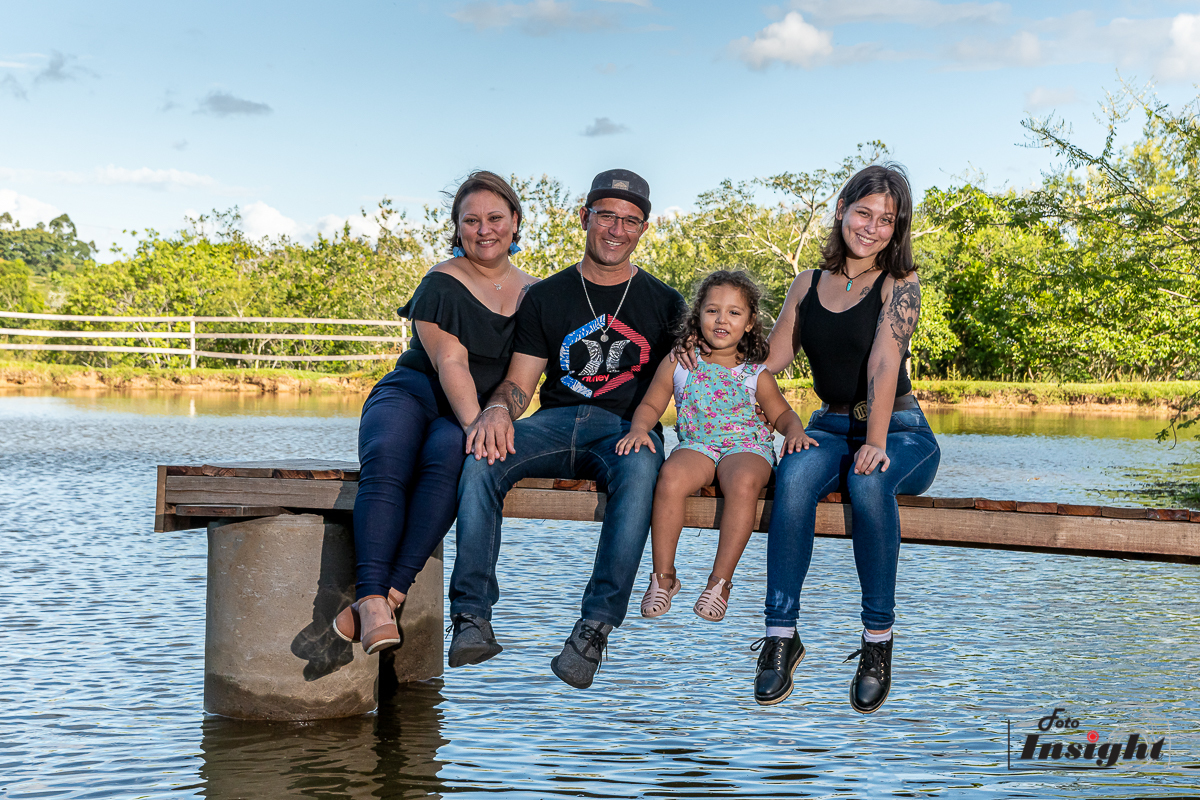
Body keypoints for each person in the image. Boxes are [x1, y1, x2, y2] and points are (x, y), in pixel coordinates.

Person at [447, 168, 688, 689]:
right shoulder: (547, 296)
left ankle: (595, 629)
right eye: (606, 216)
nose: (616, 230)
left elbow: (690, 376)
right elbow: (520, 382)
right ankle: (470, 616)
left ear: (644, 229)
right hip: (553, 423)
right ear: (585, 217)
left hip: (625, 428)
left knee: (643, 467)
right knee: (482, 455)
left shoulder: (667, 303)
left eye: (630, 221)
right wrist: (497, 411)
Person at [751, 164, 941, 712]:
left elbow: (884, 362)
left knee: (868, 482)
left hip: (901, 431)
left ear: (897, 228)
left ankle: (877, 641)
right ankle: (781, 636)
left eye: (887, 219)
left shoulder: (900, 284)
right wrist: (709, 354)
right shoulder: (807, 283)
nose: (872, 227)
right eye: (864, 213)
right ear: (841, 210)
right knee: (793, 475)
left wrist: (875, 442)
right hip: (830, 426)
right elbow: (771, 360)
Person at [333, 171, 537, 654]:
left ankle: (385, 599)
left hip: (467, 413)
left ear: (514, 221)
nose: (483, 230)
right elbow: (451, 363)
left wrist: (486, 424)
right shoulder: (441, 283)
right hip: (413, 394)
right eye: (471, 220)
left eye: (494, 217)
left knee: (450, 461)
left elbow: (523, 377)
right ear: (457, 226)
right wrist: (478, 428)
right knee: (388, 459)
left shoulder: (536, 295)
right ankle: (373, 599)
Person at [615, 270, 809, 622]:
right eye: (712, 310)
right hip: (698, 445)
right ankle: (663, 577)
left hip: (746, 446)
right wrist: (639, 429)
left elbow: (782, 414)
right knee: (671, 476)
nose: (722, 320)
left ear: (749, 323)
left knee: (743, 482)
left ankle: (719, 582)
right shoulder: (679, 363)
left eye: (734, 313)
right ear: (698, 316)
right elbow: (651, 404)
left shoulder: (755, 373)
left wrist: (794, 432)